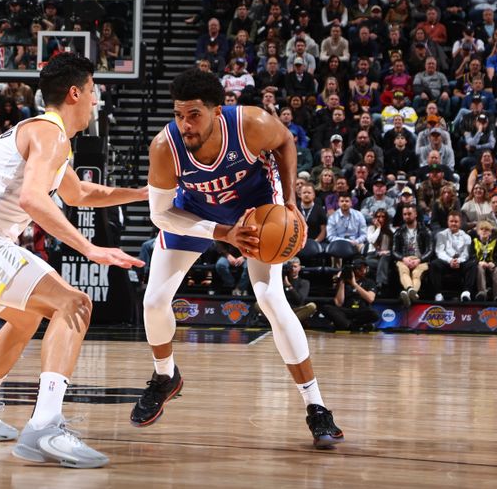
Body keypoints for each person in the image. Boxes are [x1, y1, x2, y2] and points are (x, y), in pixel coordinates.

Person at [0, 54, 146, 468]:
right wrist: (89, 248)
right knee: (73, 303)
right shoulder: (50, 133)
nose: (95, 101)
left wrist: (143, 193)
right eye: (93, 91)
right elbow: (32, 199)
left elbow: (80, 196)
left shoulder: (46, 137)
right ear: (76, 93)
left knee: (25, 318)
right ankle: (45, 428)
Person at [137, 68, 343, 449]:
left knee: (269, 297)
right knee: (153, 301)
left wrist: (292, 203)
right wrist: (220, 233)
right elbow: (160, 214)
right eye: (179, 114)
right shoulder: (165, 147)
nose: (185, 124)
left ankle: (316, 407)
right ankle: (165, 376)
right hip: (197, 214)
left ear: (218, 110)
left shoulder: (250, 123)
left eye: (194, 114)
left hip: (257, 209)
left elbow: (284, 143)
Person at [392, 204, 435, 307]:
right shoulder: (398, 232)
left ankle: (408, 293)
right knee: (403, 271)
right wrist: (403, 258)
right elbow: (394, 251)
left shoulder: (426, 230)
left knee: (416, 273)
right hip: (404, 259)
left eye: (409, 214)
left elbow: (430, 250)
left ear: (415, 214)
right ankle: (412, 291)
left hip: (420, 259)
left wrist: (419, 260)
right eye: (405, 214)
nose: (407, 216)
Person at [323, 257, 380, 332]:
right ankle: (355, 326)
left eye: (364, 268)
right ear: (354, 270)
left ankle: (347, 325)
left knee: (375, 314)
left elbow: (370, 299)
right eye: (360, 269)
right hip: (346, 311)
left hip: (361, 311)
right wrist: (342, 281)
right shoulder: (343, 282)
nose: (363, 271)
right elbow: (339, 303)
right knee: (326, 308)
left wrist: (354, 284)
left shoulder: (369, 282)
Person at [430, 212, 476, 302]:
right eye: (451, 221)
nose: (454, 223)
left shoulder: (467, 237)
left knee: (472, 264)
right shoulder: (441, 235)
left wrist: (458, 261)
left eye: (456, 221)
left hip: (460, 263)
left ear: (460, 223)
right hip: (446, 263)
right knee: (434, 264)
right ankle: (438, 294)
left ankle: (466, 293)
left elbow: (466, 254)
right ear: (448, 222)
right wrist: (450, 260)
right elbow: (440, 252)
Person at [471, 221, 497, 301]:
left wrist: (494, 263)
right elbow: (471, 256)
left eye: (487, 229)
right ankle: (482, 293)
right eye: (481, 229)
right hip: (479, 265)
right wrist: (479, 262)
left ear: (490, 232)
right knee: (479, 268)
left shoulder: (495, 242)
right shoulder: (474, 241)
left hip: (491, 265)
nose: (484, 231)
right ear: (478, 232)